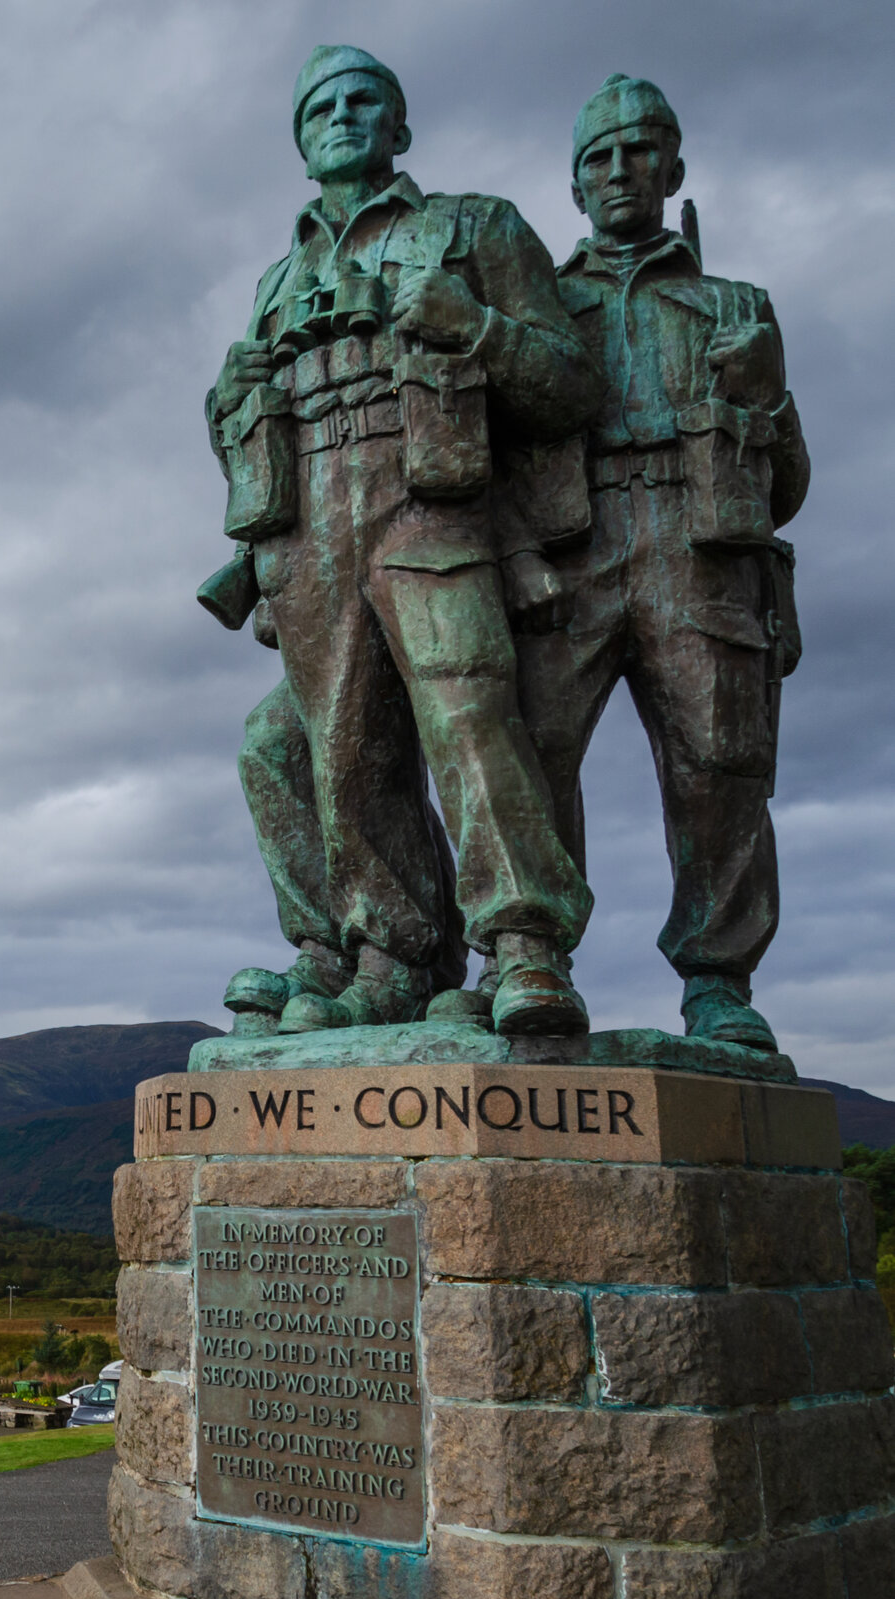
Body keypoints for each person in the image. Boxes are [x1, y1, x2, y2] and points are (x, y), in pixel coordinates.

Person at [209, 46, 602, 1036]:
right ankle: (388, 955)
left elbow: (569, 385)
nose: (340, 117)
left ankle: (522, 946)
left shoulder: (472, 227)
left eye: (362, 100)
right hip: (310, 526)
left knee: (467, 707)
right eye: (319, 109)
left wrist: (473, 326)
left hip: (428, 494)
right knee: (342, 753)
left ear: (399, 126)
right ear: (300, 144)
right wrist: (229, 403)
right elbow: (244, 439)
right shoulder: (276, 280)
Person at [512, 75, 809, 1049]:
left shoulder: (735, 304)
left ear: (672, 166)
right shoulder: (541, 305)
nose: (617, 170)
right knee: (531, 748)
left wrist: (760, 395)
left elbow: (789, 483)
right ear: (573, 186)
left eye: (637, 150)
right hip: (576, 543)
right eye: (596, 157)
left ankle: (718, 980)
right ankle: (533, 954)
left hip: (699, 545)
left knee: (719, 764)